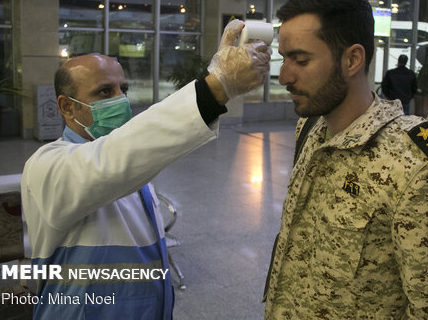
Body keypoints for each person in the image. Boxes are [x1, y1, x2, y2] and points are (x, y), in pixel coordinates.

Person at [21, 20, 271, 320]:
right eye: (104, 92)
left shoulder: (135, 177)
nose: (120, 99)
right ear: (67, 107)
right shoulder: (46, 166)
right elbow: (110, 162)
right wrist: (216, 87)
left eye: (122, 89)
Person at [263, 0, 428, 319]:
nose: (284, 76)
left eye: (300, 60)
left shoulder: (418, 166)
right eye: (284, 59)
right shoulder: (311, 128)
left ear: (352, 59)